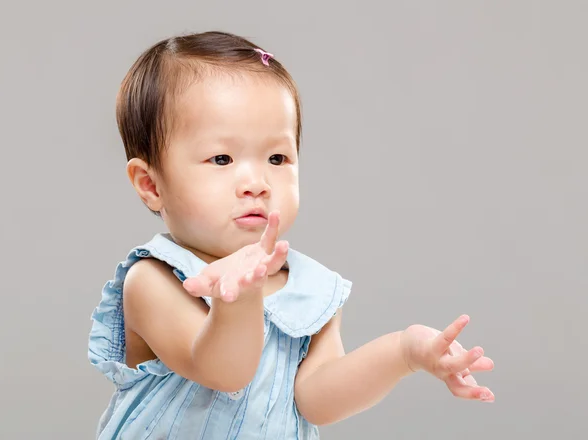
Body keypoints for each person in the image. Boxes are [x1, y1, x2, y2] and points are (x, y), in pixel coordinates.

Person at [88, 31, 495, 439]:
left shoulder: (309, 289)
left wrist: (404, 352)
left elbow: (319, 399)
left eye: (277, 157)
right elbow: (222, 372)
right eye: (222, 158)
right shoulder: (153, 281)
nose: (257, 182)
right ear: (151, 184)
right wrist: (240, 299)